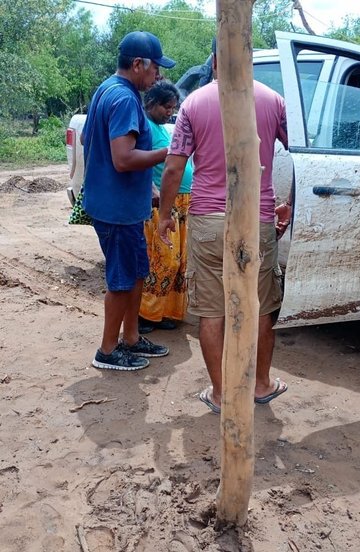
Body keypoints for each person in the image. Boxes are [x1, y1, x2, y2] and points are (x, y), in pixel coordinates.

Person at [158, 38, 292, 412]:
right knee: (261, 306)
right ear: (248, 59)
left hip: (208, 221)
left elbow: (174, 165)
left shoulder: (194, 102)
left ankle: (221, 393)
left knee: (212, 311)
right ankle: (261, 385)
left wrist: (166, 214)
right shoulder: (273, 100)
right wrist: (290, 205)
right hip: (258, 219)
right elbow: (306, 156)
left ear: (215, 61)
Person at [82, 31, 176, 371]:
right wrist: (169, 152)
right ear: (138, 64)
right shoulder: (122, 99)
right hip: (117, 210)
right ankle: (107, 351)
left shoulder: (108, 89)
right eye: (155, 69)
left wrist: (144, 188)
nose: (159, 77)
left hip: (120, 203)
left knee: (136, 273)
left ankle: (132, 338)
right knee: (121, 281)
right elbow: (122, 158)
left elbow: (95, 143)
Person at [138, 81, 193, 333]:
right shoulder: (144, 126)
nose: (170, 112)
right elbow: (139, 164)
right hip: (162, 203)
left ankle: (166, 311)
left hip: (182, 203)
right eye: (166, 107)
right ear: (151, 103)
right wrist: (151, 189)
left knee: (179, 261)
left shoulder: (163, 127)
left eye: (173, 107)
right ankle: (146, 313)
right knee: (163, 259)